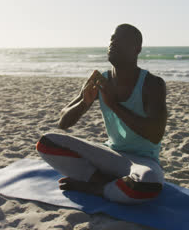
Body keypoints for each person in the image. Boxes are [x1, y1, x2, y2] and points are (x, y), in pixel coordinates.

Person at [36, 24, 167, 204]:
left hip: (142, 162)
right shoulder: (100, 80)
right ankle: (108, 184)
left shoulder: (153, 84)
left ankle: (96, 187)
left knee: (148, 182)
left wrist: (113, 104)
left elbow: (155, 135)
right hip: (110, 154)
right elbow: (63, 122)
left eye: (121, 40)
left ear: (137, 49)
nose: (113, 43)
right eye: (112, 39)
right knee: (46, 142)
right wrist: (84, 102)